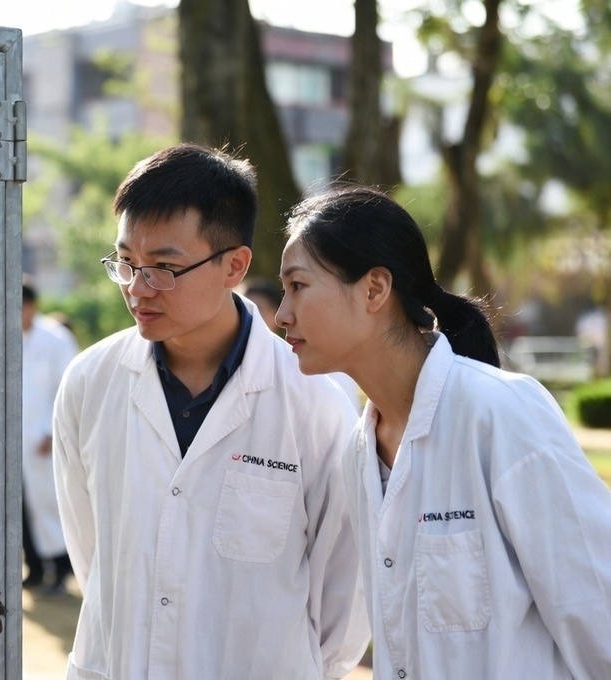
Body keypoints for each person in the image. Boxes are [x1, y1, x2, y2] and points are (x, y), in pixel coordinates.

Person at [52, 143, 369, 679]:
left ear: (234, 266)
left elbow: (344, 597)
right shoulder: (90, 383)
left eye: (163, 268)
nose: (137, 288)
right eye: (125, 263)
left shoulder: (315, 403)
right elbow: (95, 557)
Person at [276, 185, 611, 679]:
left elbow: (597, 615)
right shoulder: (360, 450)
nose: (282, 314)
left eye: (298, 286)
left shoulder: (501, 411)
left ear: (374, 289)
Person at [21, 277, 80, 596]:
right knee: (22, 508)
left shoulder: (56, 340)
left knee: (53, 505)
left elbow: (68, 390)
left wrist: (50, 430)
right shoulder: (6, 337)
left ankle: (60, 571)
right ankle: (33, 568)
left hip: (47, 439)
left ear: (32, 306)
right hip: (16, 441)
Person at [240, 277, 363, 413]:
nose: (250, 316)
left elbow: (346, 420)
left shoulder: (318, 361)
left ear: (274, 313)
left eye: (259, 309)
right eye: (243, 309)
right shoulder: (232, 362)